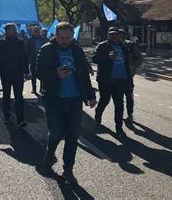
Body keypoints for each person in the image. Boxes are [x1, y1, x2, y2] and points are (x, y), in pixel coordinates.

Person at [37, 22, 96, 184]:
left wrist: (91, 95)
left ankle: (68, 170)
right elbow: (38, 72)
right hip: (54, 100)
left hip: (75, 100)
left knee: (72, 137)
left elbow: (84, 74)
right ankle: (50, 151)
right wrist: (56, 74)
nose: (64, 41)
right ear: (55, 35)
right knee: (56, 132)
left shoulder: (76, 50)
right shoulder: (47, 49)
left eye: (67, 37)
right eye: (61, 37)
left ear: (72, 36)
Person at [92, 26, 133, 137]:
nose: (114, 36)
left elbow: (126, 64)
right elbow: (94, 59)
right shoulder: (102, 46)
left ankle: (118, 127)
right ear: (108, 35)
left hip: (121, 80)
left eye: (116, 34)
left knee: (119, 104)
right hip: (107, 79)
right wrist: (107, 57)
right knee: (105, 100)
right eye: (112, 34)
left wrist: (130, 81)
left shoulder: (123, 47)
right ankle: (98, 112)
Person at [0, 23, 29, 127]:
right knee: (6, 95)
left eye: (15, 29)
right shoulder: (1, 42)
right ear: (7, 30)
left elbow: (24, 57)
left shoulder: (20, 41)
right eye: (13, 29)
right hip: (6, 72)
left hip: (18, 72)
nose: (15, 30)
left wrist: (27, 71)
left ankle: (20, 119)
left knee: (19, 97)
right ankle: (7, 116)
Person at [118, 29, 143, 122]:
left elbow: (140, 58)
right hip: (116, 76)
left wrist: (133, 66)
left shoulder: (131, 45)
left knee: (129, 96)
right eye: (117, 35)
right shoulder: (113, 45)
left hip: (128, 76)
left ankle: (130, 114)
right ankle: (119, 116)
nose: (119, 37)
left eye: (121, 35)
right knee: (118, 98)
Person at [26, 26, 48, 94]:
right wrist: (28, 59)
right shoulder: (29, 40)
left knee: (43, 76)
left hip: (42, 61)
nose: (36, 32)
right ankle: (34, 89)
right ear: (33, 32)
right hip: (33, 61)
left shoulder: (44, 40)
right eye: (35, 31)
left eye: (38, 31)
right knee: (33, 76)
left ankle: (42, 89)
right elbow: (27, 50)